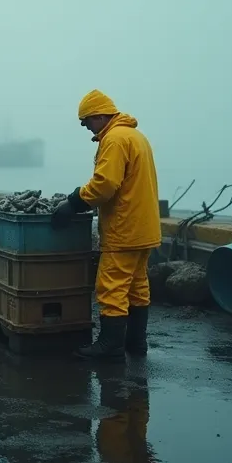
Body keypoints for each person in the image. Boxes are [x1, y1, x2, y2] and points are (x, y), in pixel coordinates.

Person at [51, 89, 161, 360]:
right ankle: (136, 343)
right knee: (137, 285)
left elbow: (105, 184)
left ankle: (110, 345)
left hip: (124, 229)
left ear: (100, 116)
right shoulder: (136, 136)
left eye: (86, 120)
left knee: (111, 285)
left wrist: (75, 201)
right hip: (145, 227)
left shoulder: (114, 139)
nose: (85, 127)